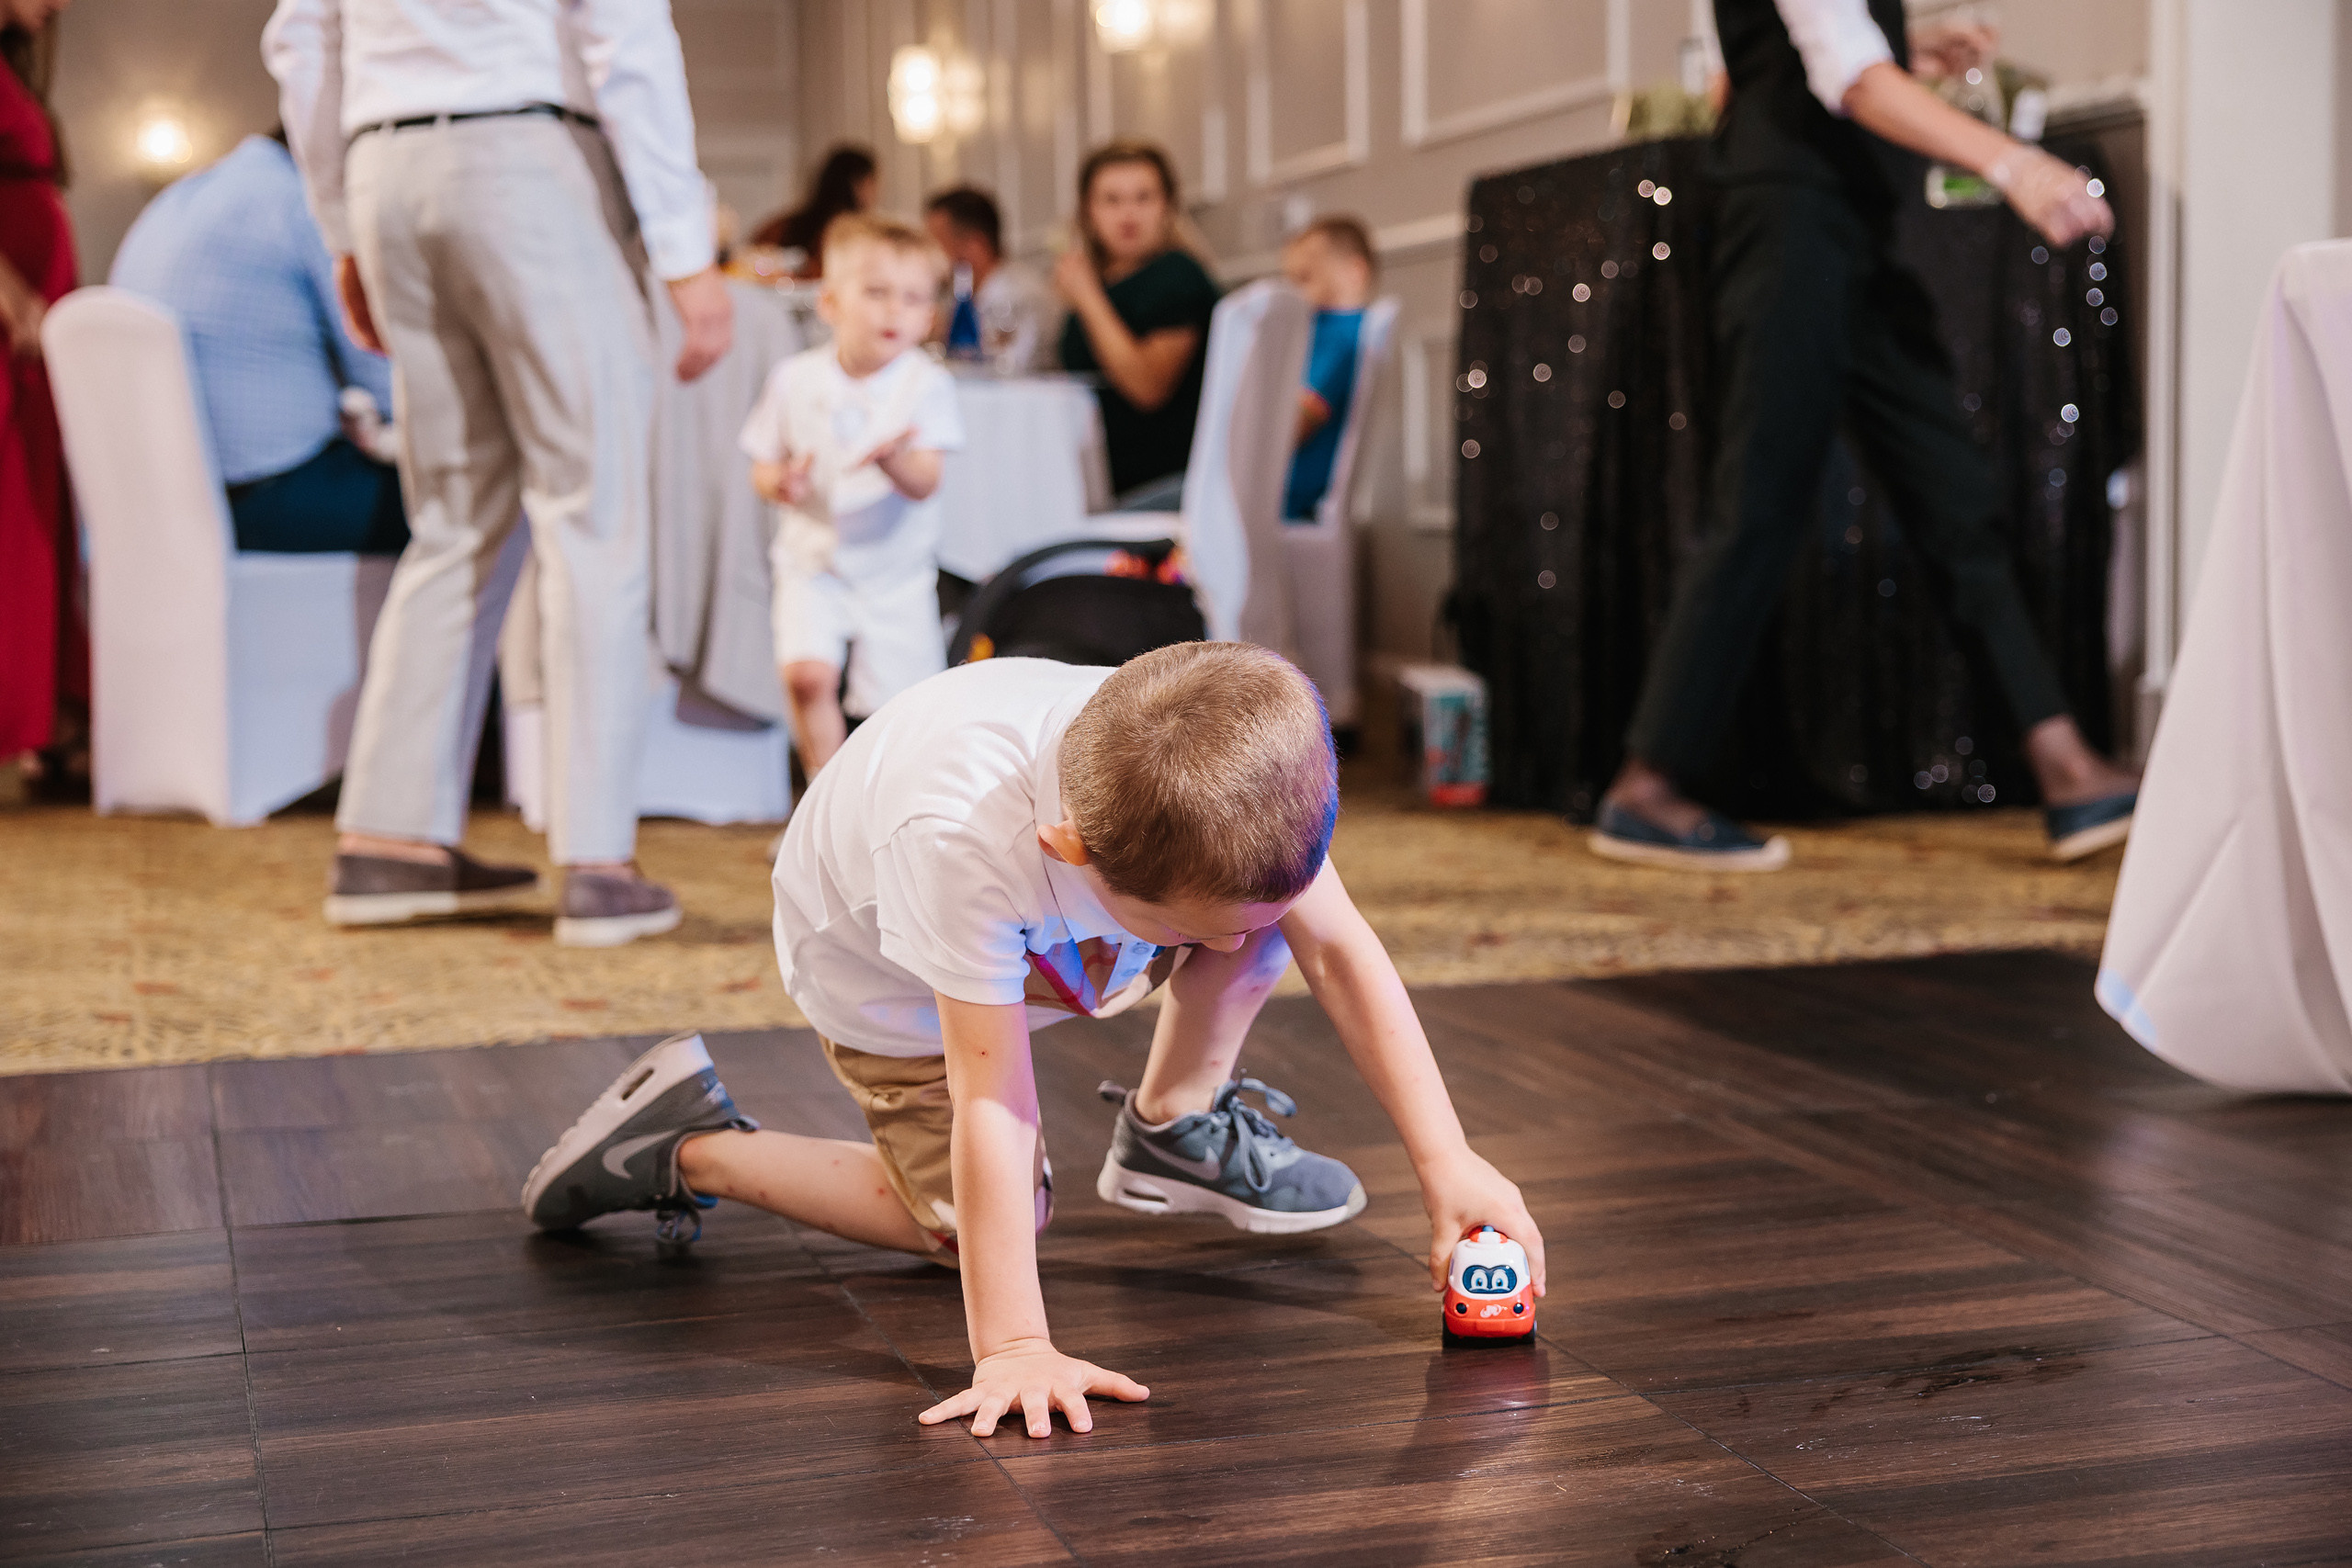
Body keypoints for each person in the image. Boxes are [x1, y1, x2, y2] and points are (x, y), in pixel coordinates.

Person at [523, 641, 1545, 1438]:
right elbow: (994, 1102)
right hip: (891, 981)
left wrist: (1447, 1160)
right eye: (1204, 930)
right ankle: (686, 1141)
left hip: (1073, 924)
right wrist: (1013, 1343)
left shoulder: (1210, 769)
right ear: (1070, 847)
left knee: (1274, 920)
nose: (1233, 950)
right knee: (969, 1227)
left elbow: (1342, 952)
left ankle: (1172, 1123)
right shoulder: (961, 842)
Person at [1590, 0, 2140, 872]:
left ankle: (2068, 768)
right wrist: (2015, 163)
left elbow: (1772, 61)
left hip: (1848, 231)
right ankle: (1645, 788)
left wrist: (1906, 47)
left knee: (1953, 494)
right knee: (1759, 504)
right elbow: (1847, 76)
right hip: (1790, 228)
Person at [266, 0, 736, 947]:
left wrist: (342, 225)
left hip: (386, 166)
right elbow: (624, 32)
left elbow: (301, 38)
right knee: (593, 511)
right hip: (528, 156)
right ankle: (599, 862)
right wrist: (687, 251)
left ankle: (389, 839)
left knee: (451, 522)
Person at [111, 130, 408, 556]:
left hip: (162, 501)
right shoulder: (303, 202)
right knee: (480, 494)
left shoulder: (179, 198)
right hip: (264, 498)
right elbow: (387, 381)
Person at [741, 214, 962, 779]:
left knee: (899, 709)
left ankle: (881, 801)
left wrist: (893, 460)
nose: (894, 311)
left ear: (929, 317)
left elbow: (927, 481)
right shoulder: (795, 378)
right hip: (812, 562)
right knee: (806, 675)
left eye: (913, 298)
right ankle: (825, 795)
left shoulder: (926, 384)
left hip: (894, 575)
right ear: (830, 302)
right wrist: (780, 482)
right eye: (876, 292)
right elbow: (762, 461)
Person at [0, 0, 85, 799]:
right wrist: (10, 293)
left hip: (33, 314)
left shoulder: (13, 68)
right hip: (10, 315)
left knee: (33, 517)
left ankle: (38, 719)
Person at [1056, 141, 1219, 502]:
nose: (1128, 214)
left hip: (1164, 484)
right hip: (1099, 480)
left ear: (1167, 207)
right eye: (1111, 200)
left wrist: (1087, 297)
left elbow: (1147, 387)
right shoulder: (1103, 283)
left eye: (1143, 198)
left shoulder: (1177, 275)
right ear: (1088, 212)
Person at [1280, 216, 1377, 523]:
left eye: (1305, 278)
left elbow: (1294, 425)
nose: (1294, 293)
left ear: (1354, 271)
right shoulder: (1354, 331)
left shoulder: (1337, 336)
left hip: (1286, 496)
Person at [924, 184, 1057, 374]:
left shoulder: (1026, 298)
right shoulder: (954, 298)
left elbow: (1013, 370)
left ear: (975, 245)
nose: (929, 257)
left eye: (936, 243)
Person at [750, 143, 876, 277]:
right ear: (859, 184)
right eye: (872, 183)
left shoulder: (781, 225)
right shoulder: (855, 234)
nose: (876, 193)